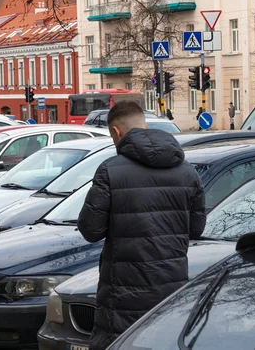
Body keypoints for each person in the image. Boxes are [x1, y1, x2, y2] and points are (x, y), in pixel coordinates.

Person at [77, 101, 206, 350]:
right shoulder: (187, 171)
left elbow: (90, 230)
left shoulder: (109, 171)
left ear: (116, 132)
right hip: (171, 289)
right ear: (144, 125)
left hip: (122, 295)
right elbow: (196, 229)